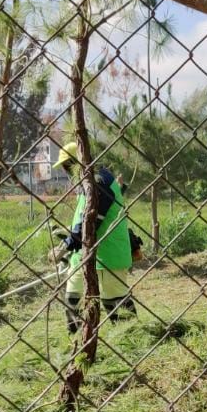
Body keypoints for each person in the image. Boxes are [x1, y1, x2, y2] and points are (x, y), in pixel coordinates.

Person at [53, 142, 139, 332]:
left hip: (108, 253)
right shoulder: (88, 182)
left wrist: (65, 246)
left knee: (115, 304)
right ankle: (76, 343)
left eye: (68, 166)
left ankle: (133, 339)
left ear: (79, 162)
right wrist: (68, 239)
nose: (67, 172)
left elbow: (90, 222)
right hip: (83, 253)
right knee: (73, 299)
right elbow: (82, 219)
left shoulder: (99, 181)